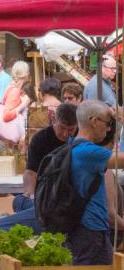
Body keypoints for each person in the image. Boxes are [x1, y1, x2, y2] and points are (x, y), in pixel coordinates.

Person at [0, 103, 78, 233]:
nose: (66, 134)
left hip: (68, 199)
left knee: (20, 204)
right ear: (55, 119)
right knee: (21, 201)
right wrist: (31, 194)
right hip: (45, 196)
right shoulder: (41, 139)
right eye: (62, 128)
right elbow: (31, 172)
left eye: (70, 130)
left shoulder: (79, 139)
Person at [66, 100, 121, 265]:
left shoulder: (74, 146)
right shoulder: (88, 152)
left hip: (88, 229)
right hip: (90, 231)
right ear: (94, 121)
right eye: (108, 122)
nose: (109, 128)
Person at [0, 60, 31, 150]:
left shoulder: (13, 87)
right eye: (28, 71)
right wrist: (23, 104)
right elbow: (6, 116)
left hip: (13, 138)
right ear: (26, 74)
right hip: (16, 136)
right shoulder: (15, 90)